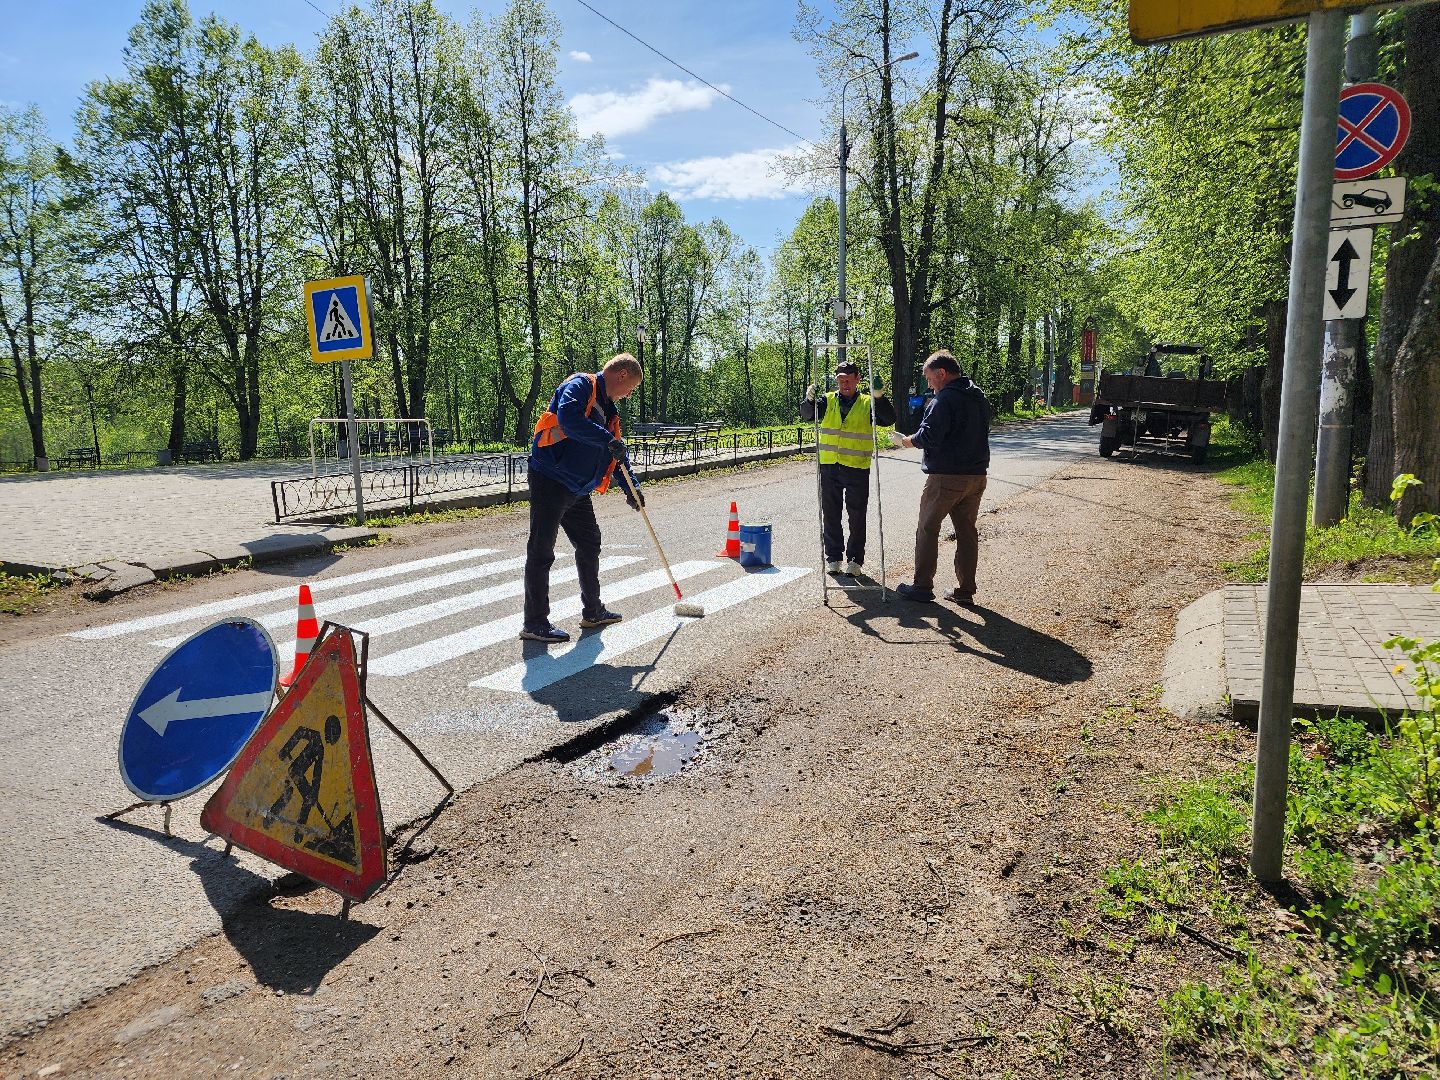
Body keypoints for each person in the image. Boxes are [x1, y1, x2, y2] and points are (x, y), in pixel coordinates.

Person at [521, 353, 645, 644]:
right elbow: (569, 420)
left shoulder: (610, 411)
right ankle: (534, 623)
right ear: (622, 375)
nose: (629, 394)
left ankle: (593, 611)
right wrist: (607, 440)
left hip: (578, 489)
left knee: (590, 543)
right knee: (541, 550)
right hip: (551, 479)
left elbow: (616, 456)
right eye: (630, 388)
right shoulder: (581, 385)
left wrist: (632, 489)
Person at [892, 350, 990, 606]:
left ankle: (922, 586)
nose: (929, 384)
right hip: (976, 476)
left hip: (946, 477)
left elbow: (930, 435)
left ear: (942, 373)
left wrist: (907, 441)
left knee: (927, 528)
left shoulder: (944, 399)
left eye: (929, 378)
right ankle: (965, 590)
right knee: (966, 532)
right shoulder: (978, 396)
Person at [802, 360, 895, 575]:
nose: (844, 384)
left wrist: (879, 398)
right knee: (831, 514)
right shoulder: (827, 400)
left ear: (857, 380)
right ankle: (834, 558)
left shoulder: (867, 402)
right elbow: (808, 415)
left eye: (848, 380)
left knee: (857, 516)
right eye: (841, 380)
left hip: (856, 467)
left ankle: (855, 560)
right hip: (830, 466)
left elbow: (888, 419)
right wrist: (809, 400)